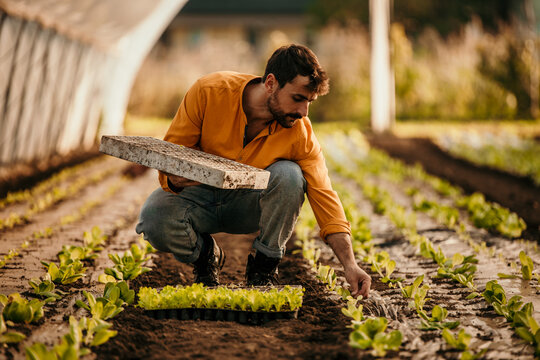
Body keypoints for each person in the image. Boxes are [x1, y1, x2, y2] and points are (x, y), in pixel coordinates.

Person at [136, 44, 371, 298]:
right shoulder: (209, 92)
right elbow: (172, 156)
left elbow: (325, 197)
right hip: (200, 199)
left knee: (290, 175)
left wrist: (350, 264)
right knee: (153, 218)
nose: (304, 112)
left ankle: (263, 269)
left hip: (249, 207)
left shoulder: (299, 132)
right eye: (298, 98)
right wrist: (175, 177)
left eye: (309, 102)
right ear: (271, 83)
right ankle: (205, 257)